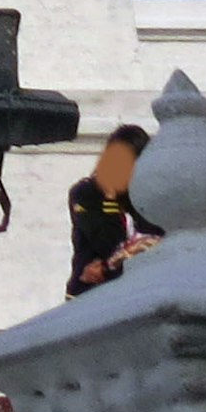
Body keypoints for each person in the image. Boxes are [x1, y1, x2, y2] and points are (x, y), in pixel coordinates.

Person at [68, 124, 161, 295]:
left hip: (137, 292)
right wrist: (110, 193)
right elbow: (109, 243)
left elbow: (155, 243)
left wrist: (108, 268)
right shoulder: (86, 193)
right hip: (90, 294)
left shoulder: (146, 200)